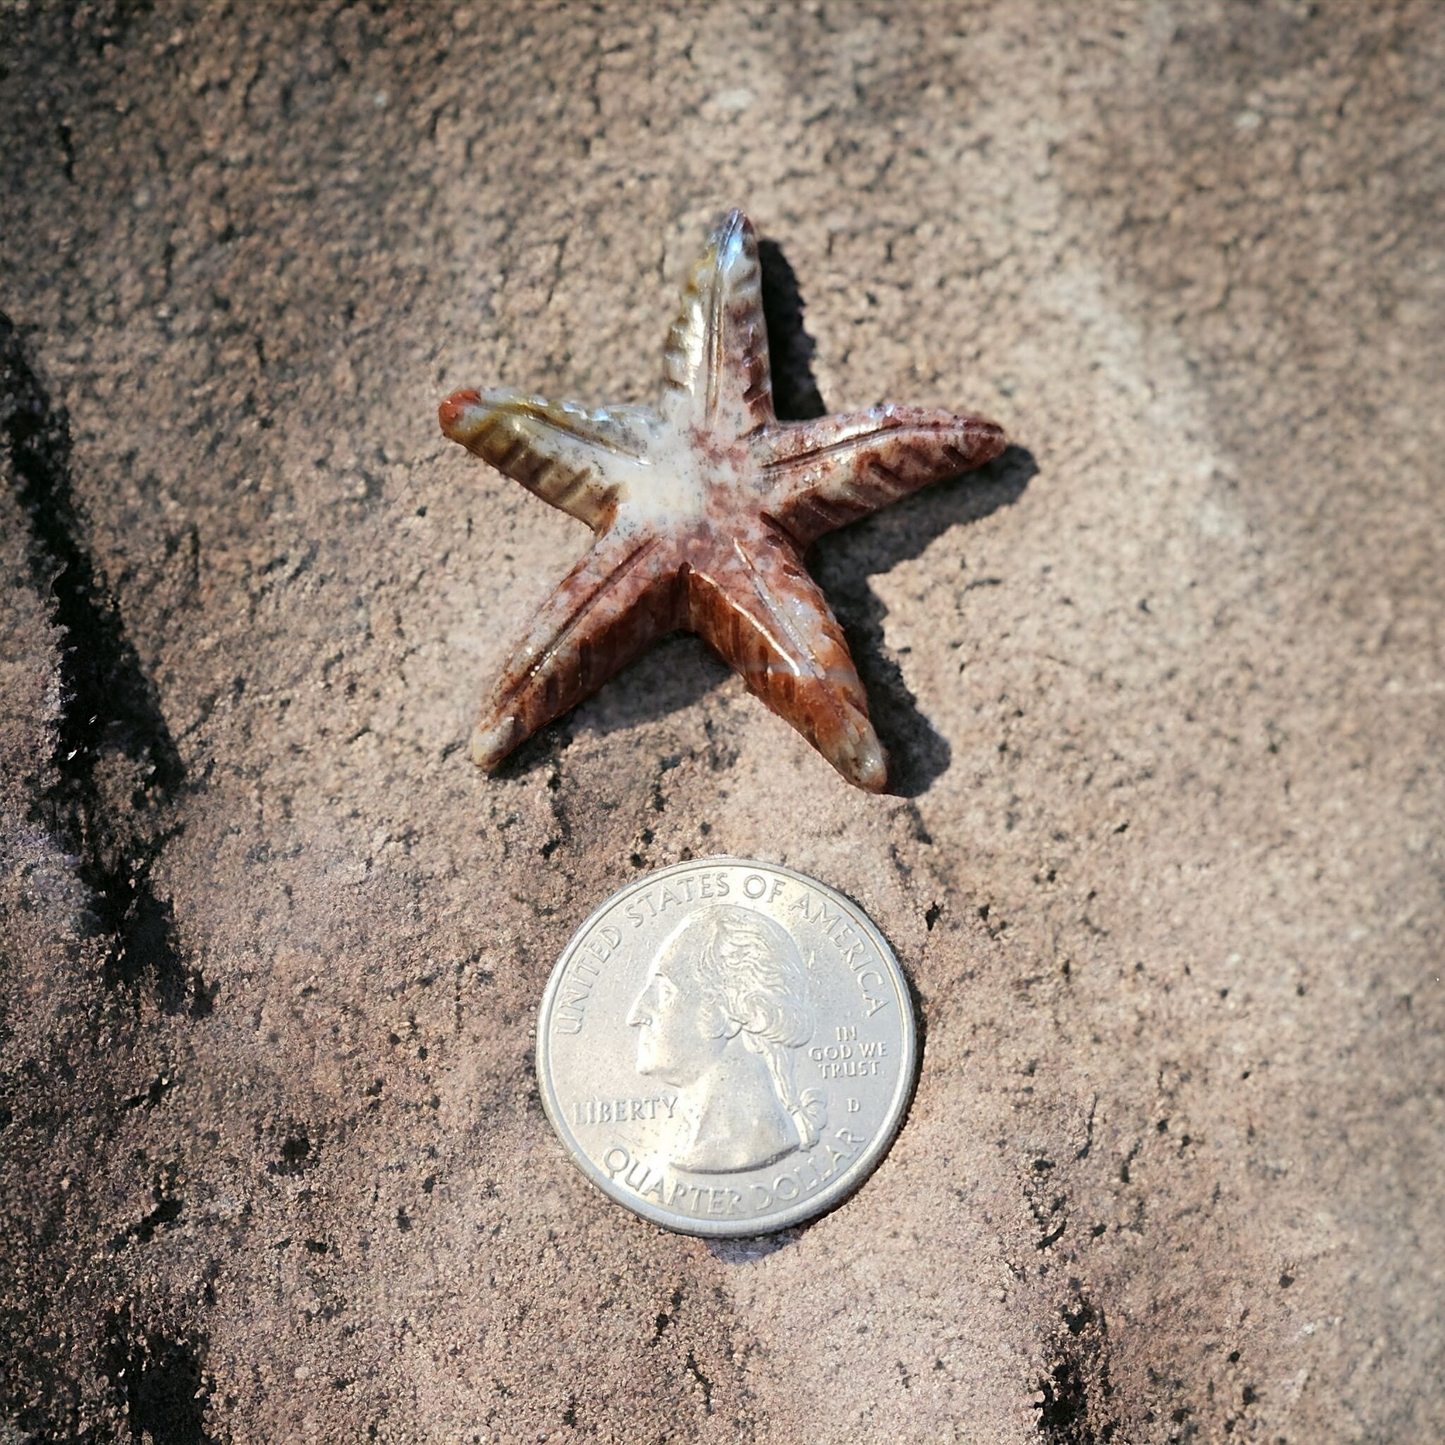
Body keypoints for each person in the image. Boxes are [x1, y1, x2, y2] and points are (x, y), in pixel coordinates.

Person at [626, 904, 826, 1173]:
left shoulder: (753, 1147)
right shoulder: (680, 1146)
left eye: (664, 991)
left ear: (734, 1012)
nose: (636, 1014)